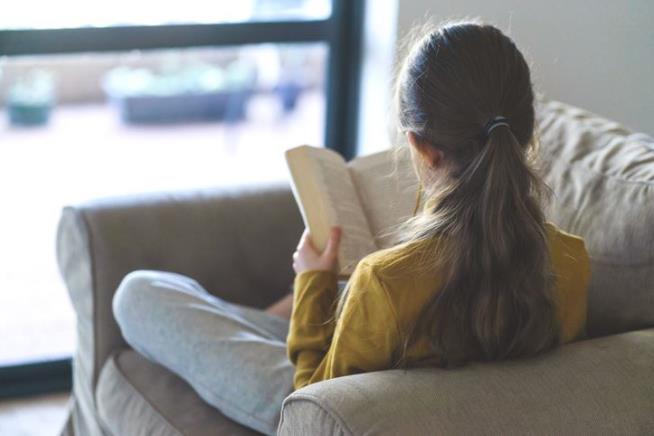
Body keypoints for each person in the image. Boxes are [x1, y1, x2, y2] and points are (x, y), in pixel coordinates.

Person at [112, 20, 590, 436]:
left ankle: (257, 317)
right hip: (384, 371)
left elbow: (317, 409)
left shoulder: (385, 281)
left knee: (140, 293)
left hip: (324, 400)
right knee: (213, 312)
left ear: (420, 148)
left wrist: (313, 282)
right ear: (526, 135)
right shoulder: (572, 260)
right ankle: (252, 319)